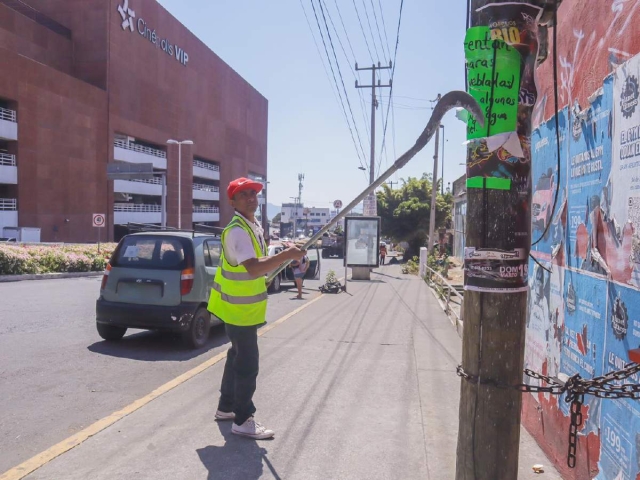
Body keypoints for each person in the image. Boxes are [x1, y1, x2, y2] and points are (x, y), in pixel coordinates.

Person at [208, 177, 305, 440]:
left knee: (236, 357)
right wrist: (287, 256)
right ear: (233, 202)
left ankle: (226, 408)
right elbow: (252, 268)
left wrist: (283, 251)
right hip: (239, 311)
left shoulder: (252, 225)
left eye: (254, 193)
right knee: (247, 364)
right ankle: (243, 419)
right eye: (244, 195)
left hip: (238, 308)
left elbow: (257, 260)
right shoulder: (238, 230)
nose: (251, 198)